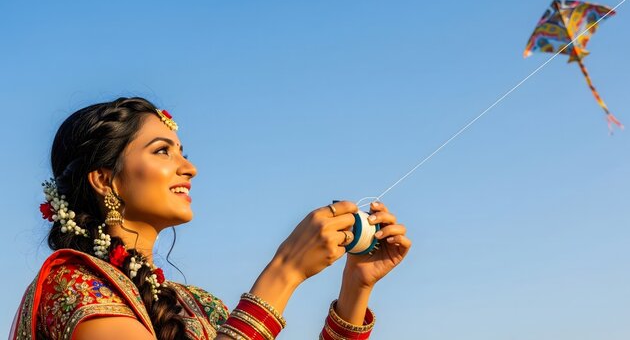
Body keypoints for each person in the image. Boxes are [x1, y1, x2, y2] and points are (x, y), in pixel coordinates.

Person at [9, 97, 411, 340]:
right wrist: (285, 270)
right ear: (104, 180)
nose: (190, 168)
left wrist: (355, 288)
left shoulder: (198, 306)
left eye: (182, 150)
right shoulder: (75, 286)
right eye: (162, 151)